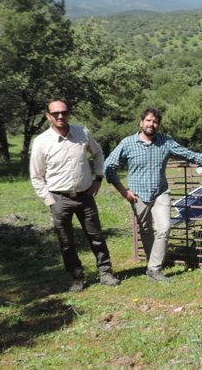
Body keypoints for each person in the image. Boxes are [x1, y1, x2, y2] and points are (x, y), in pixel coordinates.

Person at [104, 107, 202, 283]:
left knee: (164, 228)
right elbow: (109, 166)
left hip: (161, 192)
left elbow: (187, 154)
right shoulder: (127, 143)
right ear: (141, 122)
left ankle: (155, 269)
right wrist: (124, 191)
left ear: (158, 125)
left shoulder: (165, 142)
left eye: (155, 122)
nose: (151, 124)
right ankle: (152, 264)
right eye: (148, 120)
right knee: (146, 231)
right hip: (138, 195)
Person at [29, 98, 120, 292]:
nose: (60, 116)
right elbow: (36, 176)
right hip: (59, 198)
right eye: (55, 113)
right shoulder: (41, 142)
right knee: (66, 242)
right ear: (48, 116)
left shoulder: (82, 132)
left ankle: (106, 272)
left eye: (64, 112)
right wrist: (50, 201)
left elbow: (98, 154)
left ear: (69, 113)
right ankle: (77, 277)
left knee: (96, 236)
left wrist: (98, 179)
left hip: (85, 195)